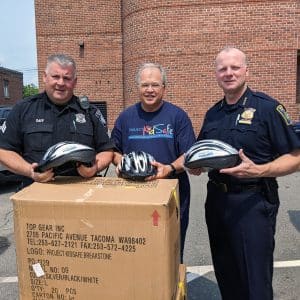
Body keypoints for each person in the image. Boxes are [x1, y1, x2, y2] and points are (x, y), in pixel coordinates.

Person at [190, 46, 300, 300]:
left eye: (235, 67)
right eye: (223, 69)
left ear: (246, 71)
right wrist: (196, 165)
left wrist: (260, 169)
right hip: (217, 201)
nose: (229, 73)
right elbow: (204, 152)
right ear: (216, 75)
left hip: (253, 202)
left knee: (255, 279)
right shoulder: (213, 114)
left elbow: (295, 157)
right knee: (226, 272)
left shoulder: (268, 109)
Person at [111, 62, 196, 262]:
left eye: (155, 85)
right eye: (145, 85)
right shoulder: (125, 118)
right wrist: (121, 162)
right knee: (136, 251)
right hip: (133, 196)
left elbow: (190, 154)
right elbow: (113, 150)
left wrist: (170, 168)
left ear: (164, 88)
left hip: (171, 194)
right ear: (138, 88)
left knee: (170, 251)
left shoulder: (178, 117)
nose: (150, 90)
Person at [0, 54, 114, 188]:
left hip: (82, 193)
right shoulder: (23, 109)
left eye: (67, 78)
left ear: (75, 81)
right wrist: (30, 171)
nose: (60, 83)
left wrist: (94, 168)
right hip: (36, 192)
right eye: (55, 76)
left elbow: (107, 150)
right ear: (45, 77)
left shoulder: (90, 112)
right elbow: (4, 150)